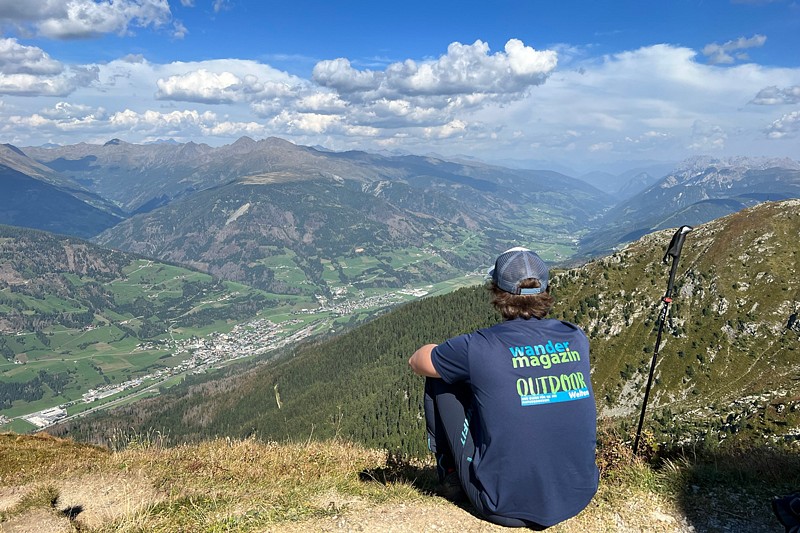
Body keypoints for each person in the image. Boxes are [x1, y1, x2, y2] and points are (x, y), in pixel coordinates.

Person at [409, 247, 599, 529]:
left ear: (496, 291)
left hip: (501, 504)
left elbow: (417, 361)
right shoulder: (575, 336)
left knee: (439, 376)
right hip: (579, 494)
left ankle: (450, 474)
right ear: (545, 289)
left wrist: (450, 356)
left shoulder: (480, 346)